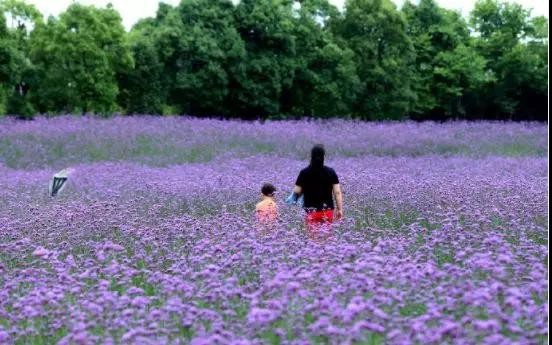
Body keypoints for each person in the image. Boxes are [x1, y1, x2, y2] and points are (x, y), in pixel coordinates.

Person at [292, 145, 343, 237]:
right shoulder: (331, 172)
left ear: (311, 157)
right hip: (327, 210)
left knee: (313, 239)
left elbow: (296, 192)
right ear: (324, 157)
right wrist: (340, 209)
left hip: (311, 211)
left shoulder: (304, 172)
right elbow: (337, 192)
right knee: (326, 238)